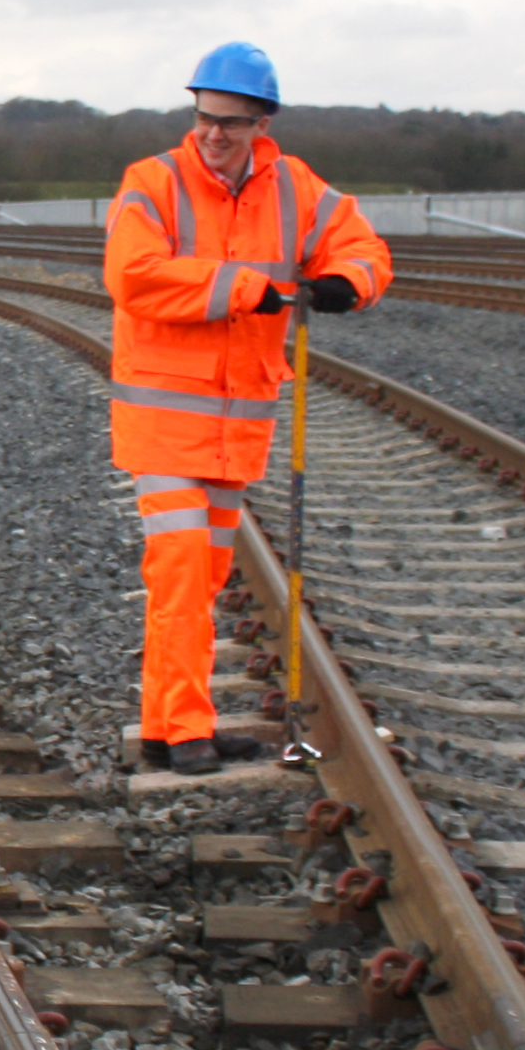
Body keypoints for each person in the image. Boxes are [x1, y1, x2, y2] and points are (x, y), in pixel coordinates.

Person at [104, 42, 393, 776]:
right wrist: (242, 287)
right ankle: (184, 729)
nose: (213, 134)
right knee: (178, 569)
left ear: (262, 123)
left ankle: (169, 729)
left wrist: (346, 283)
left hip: (239, 425)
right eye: (204, 118)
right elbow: (133, 277)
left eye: (231, 123)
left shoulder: (293, 188)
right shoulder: (154, 182)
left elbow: (364, 246)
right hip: (166, 423)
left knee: (203, 576)